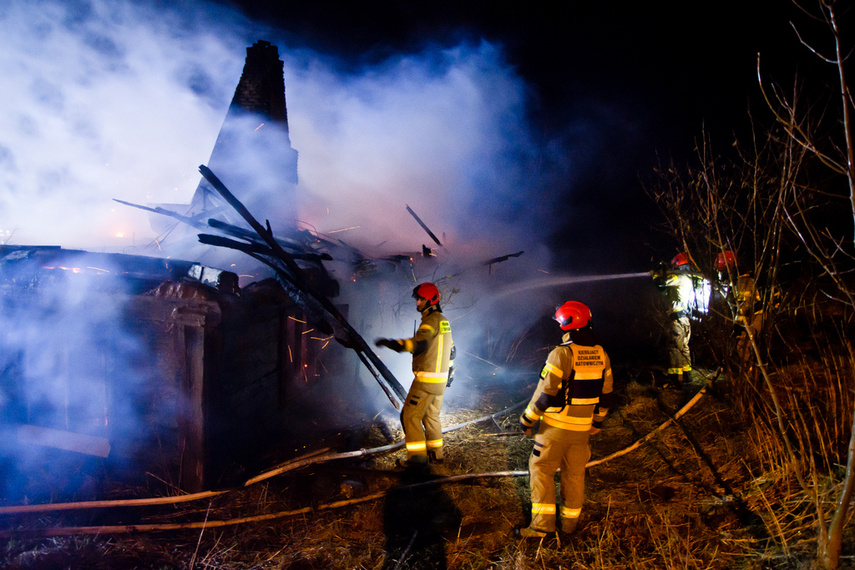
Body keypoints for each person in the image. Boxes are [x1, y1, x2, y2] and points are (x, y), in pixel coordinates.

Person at [516, 301, 614, 538]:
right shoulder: (602, 354)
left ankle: (541, 527)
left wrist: (527, 420)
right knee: (574, 476)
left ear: (568, 323)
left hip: (554, 430)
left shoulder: (561, 353)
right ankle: (569, 526)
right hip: (581, 433)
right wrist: (597, 423)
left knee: (541, 470)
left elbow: (545, 394)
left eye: (561, 323)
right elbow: (607, 394)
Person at [375, 282, 455, 466]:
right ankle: (437, 456)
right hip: (441, 382)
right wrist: (449, 375)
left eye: (420, 299)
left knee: (409, 416)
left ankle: (417, 462)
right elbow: (452, 351)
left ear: (430, 300)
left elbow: (419, 344)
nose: (417, 303)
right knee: (431, 417)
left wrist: (392, 344)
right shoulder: (444, 321)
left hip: (426, 381)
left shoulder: (430, 322)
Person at [652, 252, 698, 387]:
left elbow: (661, 283)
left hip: (677, 318)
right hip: (685, 318)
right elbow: (665, 290)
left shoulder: (678, 277)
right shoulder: (688, 277)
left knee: (674, 347)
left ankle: (675, 379)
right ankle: (687, 375)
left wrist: (655, 274)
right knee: (684, 346)